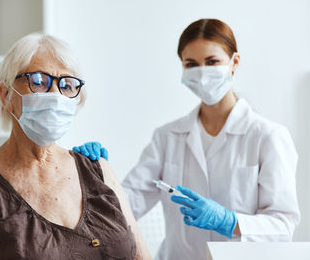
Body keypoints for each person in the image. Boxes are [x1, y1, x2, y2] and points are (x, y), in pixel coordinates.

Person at [73, 18, 300, 260]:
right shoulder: (167, 137)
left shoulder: (267, 137)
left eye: (212, 62)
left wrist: (230, 221)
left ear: (234, 62)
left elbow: (283, 225)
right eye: (191, 64)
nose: (202, 72)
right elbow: (128, 204)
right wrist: (95, 178)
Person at [0, 33, 152, 260]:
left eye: (67, 85)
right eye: (38, 81)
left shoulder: (99, 169)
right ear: (6, 95)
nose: (55, 96)